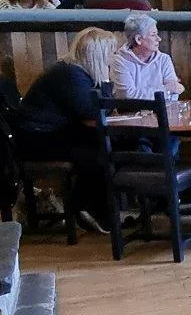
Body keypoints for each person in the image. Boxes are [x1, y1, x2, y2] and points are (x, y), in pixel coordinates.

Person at [13, 27, 119, 233]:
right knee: (99, 153)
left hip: (49, 132)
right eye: (110, 53)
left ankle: (85, 204)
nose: (113, 58)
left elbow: (98, 112)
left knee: (102, 146)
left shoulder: (74, 71)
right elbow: (93, 114)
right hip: (35, 138)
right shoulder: (71, 75)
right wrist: (107, 80)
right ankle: (86, 207)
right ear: (97, 55)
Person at [112, 12, 184, 100]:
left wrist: (167, 91)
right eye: (153, 35)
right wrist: (165, 89)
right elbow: (127, 96)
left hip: (163, 111)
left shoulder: (164, 59)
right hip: (130, 113)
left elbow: (174, 93)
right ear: (138, 39)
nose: (159, 39)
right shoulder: (120, 61)